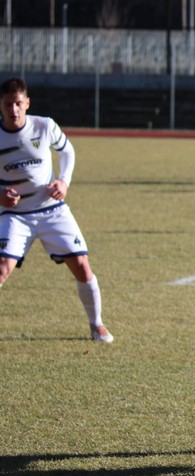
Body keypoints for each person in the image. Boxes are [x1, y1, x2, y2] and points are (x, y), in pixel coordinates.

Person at [0, 77, 113, 343]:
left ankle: (97, 325)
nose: (13, 110)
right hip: (15, 215)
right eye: (7, 104)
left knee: (82, 266)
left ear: (27, 103)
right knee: (2, 268)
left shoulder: (44, 125)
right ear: (0, 106)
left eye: (18, 103)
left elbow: (68, 152)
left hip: (52, 210)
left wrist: (64, 180)